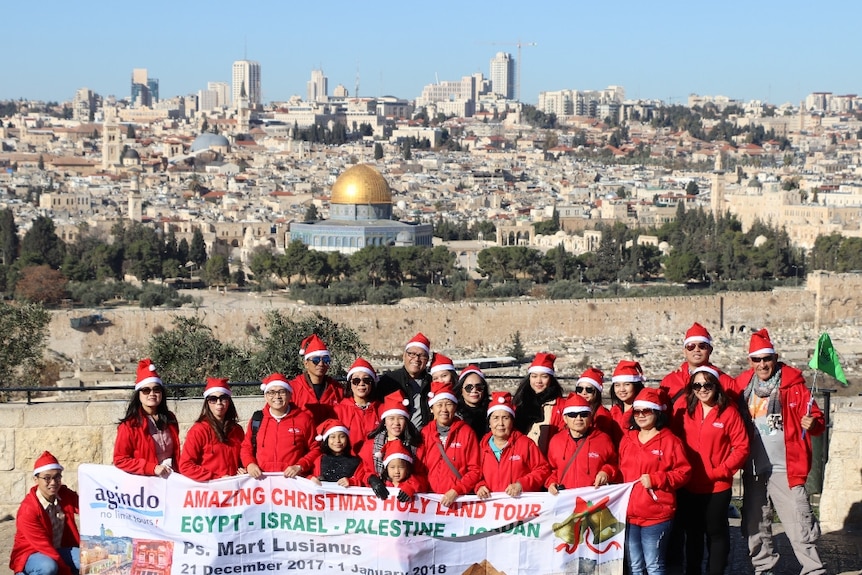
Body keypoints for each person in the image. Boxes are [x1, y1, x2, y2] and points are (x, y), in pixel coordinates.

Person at [737, 329, 826, 575]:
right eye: (757, 359)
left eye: (767, 358)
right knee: (756, 525)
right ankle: (763, 569)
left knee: (799, 522)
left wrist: (814, 423)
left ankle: (813, 570)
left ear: (775, 357)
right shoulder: (741, 386)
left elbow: (816, 418)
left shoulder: (794, 385)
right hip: (754, 468)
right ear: (750, 361)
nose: (763, 364)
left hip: (786, 468)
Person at [678, 366, 749, 575]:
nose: (702, 389)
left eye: (707, 384)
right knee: (693, 534)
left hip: (717, 485)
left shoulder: (729, 413)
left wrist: (722, 470)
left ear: (716, 386)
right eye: (697, 385)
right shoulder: (686, 411)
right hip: (690, 484)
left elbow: (742, 446)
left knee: (716, 532)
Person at [618, 387, 691, 575]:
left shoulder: (670, 441)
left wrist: (658, 479)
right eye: (637, 411)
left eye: (646, 411)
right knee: (635, 566)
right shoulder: (627, 440)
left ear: (657, 413)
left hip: (657, 514)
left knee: (654, 565)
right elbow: (620, 470)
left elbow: (684, 472)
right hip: (630, 514)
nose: (641, 415)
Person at [10, 452, 80, 575]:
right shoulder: (28, 510)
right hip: (33, 553)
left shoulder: (64, 494)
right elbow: (44, 547)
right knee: (48, 567)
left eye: (57, 476)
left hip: (58, 549)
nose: (53, 482)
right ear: (36, 479)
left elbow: (86, 507)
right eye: (47, 478)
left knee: (87, 558)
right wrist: (66, 571)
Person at [240, 373, 319, 479]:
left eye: (282, 392)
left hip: (292, 483)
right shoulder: (257, 419)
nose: (277, 396)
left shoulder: (304, 419)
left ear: (290, 395)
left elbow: (316, 449)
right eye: (271, 392)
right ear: (265, 396)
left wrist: (300, 466)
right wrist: (249, 464)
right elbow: (246, 447)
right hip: (262, 481)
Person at [417, 381, 481, 507]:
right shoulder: (425, 433)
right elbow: (419, 469)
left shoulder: (466, 433)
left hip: (458, 501)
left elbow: (475, 470)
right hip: (430, 500)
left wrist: (457, 490)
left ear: (455, 407)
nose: (444, 410)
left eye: (448, 404)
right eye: (439, 405)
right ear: (432, 409)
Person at [476, 391, 550, 499]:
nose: (500, 423)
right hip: (491, 508)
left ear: (512, 421)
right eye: (495, 418)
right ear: (489, 422)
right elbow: (474, 473)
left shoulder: (525, 444)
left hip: (519, 508)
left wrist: (522, 484)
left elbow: (542, 470)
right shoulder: (481, 447)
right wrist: (480, 486)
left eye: (505, 418)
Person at [660, 322, 737, 426]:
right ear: (684, 351)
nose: (696, 350)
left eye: (702, 346)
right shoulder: (670, 381)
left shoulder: (725, 381)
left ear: (710, 350)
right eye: (691, 346)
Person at [113, 359, 180, 477]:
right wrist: (151, 468)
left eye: (156, 389)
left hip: (170, 481)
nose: (152, 394)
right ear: (138, 394)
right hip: (145, 485)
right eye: (146, 390)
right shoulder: (129, 425)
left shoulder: (170, 419)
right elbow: (120, 459)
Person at [546, 394, 618, 493]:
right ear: (565, 418)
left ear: (590, 417)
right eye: (572, 415)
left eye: (583, 414)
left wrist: (606, 472)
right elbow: (551, 469)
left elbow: (613, 463)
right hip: (565, 499)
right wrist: (551, 482)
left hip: (592, 499)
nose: (578, 418)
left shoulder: (603, 439)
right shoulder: (556, 441)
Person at [359, 391, 424, 497]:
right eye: (391, 418)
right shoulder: (370, 446)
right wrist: (371, 479)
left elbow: (423, 476)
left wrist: (411, 486)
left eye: (400, 418)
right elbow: (361, 472)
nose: (396, 423)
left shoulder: (416, 447)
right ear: (384, 421)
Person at [179, 378, 245, 481]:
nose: (219, 403)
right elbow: (185, 466)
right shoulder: (198, 431)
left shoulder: (237, 430)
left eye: (223, 398)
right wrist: (216, 478)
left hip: (234, 490)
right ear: (207, 402)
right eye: (213, 399)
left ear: (229, 401)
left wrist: (245, 469)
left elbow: (243, 458)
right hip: (209, 491)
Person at [376, 332, 433, 428]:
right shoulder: (388, 381)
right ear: (404, 356)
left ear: (427, 360)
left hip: (424, 439)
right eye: (412, 354)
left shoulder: (432, 383)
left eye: (422, 355)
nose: (416, 359)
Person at [513, 352, 565, 455]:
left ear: (551, 379)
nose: (538, 381)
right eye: (534, 376)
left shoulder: (560, 406)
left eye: (544, 376)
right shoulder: (519, 403)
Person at [288, 334, 344, 425]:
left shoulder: (337, 389)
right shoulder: (293, 389)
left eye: (325, 360)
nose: (321, 364)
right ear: (306, 363)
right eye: (316, 360)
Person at [334, 358, 381, 456]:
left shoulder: (381, 409)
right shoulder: (339, 411)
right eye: (356, 380)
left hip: (375, 463)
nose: (361, 384)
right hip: (349, 463)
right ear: (350, 383)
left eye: (366, 380)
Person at [309, 419, 361, 487]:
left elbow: (364, 480)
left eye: (342, 436)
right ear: (327, 440)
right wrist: (310, 479)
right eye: (333, 437)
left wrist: (352, 482)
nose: (337, 441)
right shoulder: (319, 460)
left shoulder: (356, 462)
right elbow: (305, 477)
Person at [608, 360, 645, 444]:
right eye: (617, 385)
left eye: (627, 384)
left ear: (635, 386)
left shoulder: (643, 412)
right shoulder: (614, 411)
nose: (621, 389)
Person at [573, 366, 615, 438]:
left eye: (589, 390)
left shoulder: (602, 415)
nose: (584, 393)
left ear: (597, 392)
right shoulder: (571, 409)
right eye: (579, 389)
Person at [454, 364, 491, 440]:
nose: (474, 391)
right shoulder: (454, 412)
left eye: (479, 387)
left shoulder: (492, 410)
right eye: (469, 388)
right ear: (461, 389)